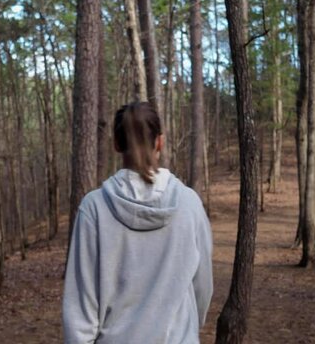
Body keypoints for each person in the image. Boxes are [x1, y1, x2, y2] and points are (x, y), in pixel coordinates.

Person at [63, 102, 213, 343]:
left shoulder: (94, 208)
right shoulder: (189, 204)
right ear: (160, 142)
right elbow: (202, 287)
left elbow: (81, 305)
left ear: (116, 144)